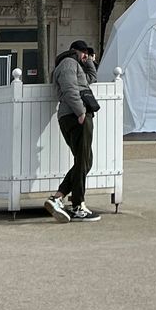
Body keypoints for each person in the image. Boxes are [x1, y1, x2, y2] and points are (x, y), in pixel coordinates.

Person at [45, 40, 102, 222]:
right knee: (83, 160)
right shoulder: (68, 63)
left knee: (84, 161)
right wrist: (81, 112)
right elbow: (70, 89)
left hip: (74, 115)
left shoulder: (76, 66)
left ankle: (57, 198)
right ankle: (78, 205)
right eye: (83, 52)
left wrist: (89, 61)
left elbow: (91, 78)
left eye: (87, 52)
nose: (85, 55)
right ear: (74, 51)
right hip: (75, 116)